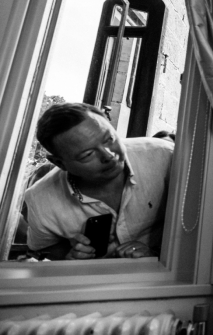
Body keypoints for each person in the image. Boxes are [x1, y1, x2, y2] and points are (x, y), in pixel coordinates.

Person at [24, 103, 173, 260]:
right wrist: (70, 256)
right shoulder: (40, 199)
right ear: (59, 163)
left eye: (109, 139)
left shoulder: (164, 156)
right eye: (88, 154)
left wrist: (157, 254)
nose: (108, 155)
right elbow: (45, 250)